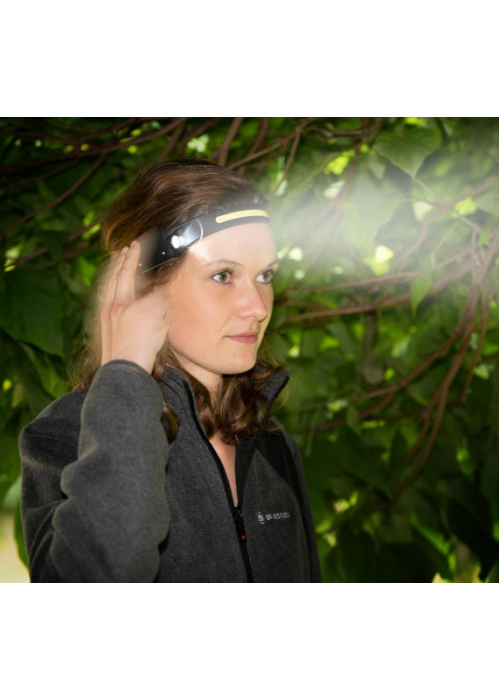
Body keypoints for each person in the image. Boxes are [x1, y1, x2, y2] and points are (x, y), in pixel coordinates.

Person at [18, 159, 322, 582]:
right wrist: (125, 372)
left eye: (265, 275)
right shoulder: (67, 434)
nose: (257, 307)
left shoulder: (270, 442)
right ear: (144, 286)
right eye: (223, 275)